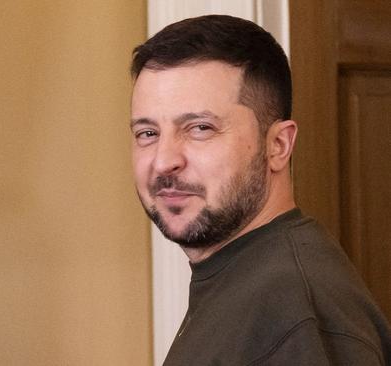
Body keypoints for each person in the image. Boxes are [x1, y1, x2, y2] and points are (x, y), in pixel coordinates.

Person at [130, 15, 391, 365]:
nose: (164, 161)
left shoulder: (293, 310)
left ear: (278, 145)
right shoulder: (243, 279)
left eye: (200, 128)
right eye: (147, 133)